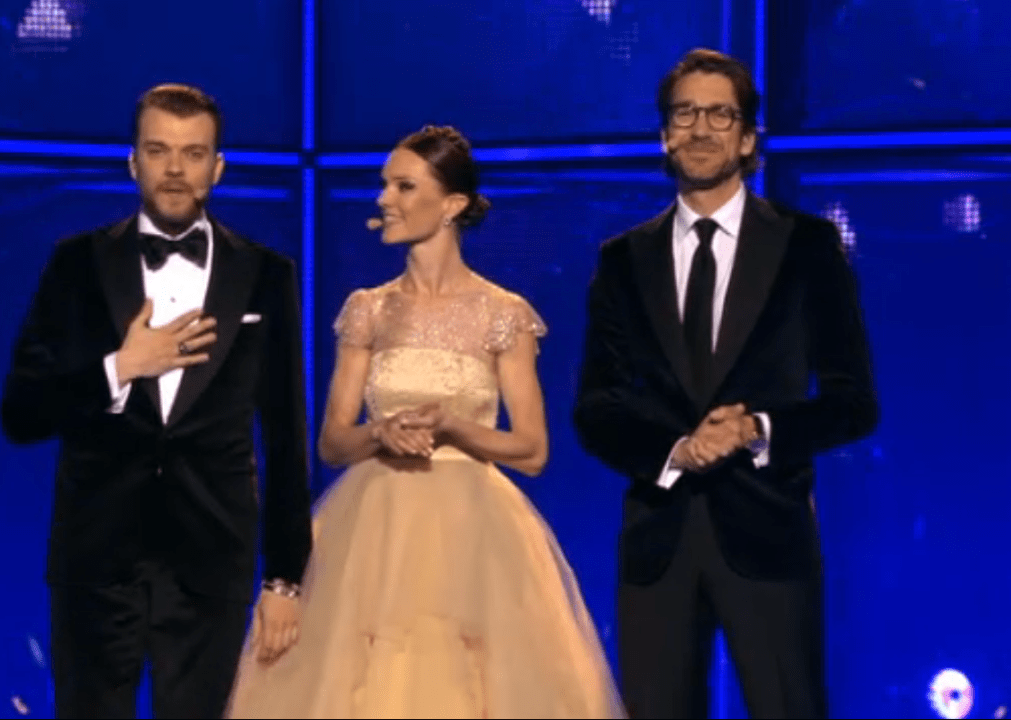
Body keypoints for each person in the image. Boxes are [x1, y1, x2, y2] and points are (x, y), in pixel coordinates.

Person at [226, 125, 624, 718]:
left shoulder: (503, 314)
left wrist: (453, 428)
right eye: (385, 185)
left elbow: (532, 449)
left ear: (452, 204)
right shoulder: (368, 309)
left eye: (404, 187)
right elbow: (333, 441)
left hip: (473, 530)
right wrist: (379, 432)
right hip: (375, 527)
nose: (384, 198)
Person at [573, 48, 879, 719]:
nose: (700, 129)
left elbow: (853, 402)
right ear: (664, 134)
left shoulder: (806, 246)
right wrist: (677, 450)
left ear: (746, 138)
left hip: (768, 534)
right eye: (684, 114)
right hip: (659, 541)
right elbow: (595, 405)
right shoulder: (623, 259)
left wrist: (755, 430)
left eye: (719, 115)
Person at [1, 84, 313, 719]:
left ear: (217, 167)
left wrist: (285, 577)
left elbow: (285, 434)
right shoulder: (75, 264)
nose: (175, 169)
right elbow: (22, 412)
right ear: (133, 162)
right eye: (158, 150)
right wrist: (121, 368)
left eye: (193, 153)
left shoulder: (265, 274)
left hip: (211, 559)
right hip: (94, 558)